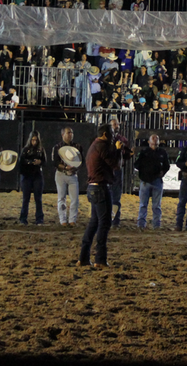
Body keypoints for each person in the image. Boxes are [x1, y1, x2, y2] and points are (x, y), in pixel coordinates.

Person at [77, 124, 120, 269]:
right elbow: (115, 164)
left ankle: (83, 257)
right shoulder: (102, 146)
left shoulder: (95, 145)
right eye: (112, 133)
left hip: (93, 187)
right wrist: (118, 151)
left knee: (94, 222)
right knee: (104, 223)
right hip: (100, 187)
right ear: (105, 134)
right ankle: (100, 259)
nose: (114, 136)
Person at [134, 133, 169, 229]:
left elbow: (167, 166)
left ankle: (155, 224)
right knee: (144, 205)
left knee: (154, 205)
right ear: (149, 142)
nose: (154, 144)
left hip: (155, 180)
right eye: (153, 142)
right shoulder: (144, 152)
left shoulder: (162, 152)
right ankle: (142, 224)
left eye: (156, 142)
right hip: (146, 181)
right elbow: (136, 165)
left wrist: (163, 172)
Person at [53, 127, 82, 226]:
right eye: (68, 133)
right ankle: (63, 220)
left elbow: (80, 161)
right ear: (63, 135)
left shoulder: (77, 146)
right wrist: (65, 167)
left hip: (73, 174)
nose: (70, 134)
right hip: (61, 173)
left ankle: (72, 220)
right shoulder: (57, 147)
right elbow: (55, 162)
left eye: (71, 133)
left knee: (74, 198)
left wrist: (73, 168)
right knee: (61, 198)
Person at [108, 115, 134, 228]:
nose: (116, 126)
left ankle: (115, 220)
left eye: (117, 124)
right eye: (114, 124)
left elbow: (126, 155)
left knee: (116, 196)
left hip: (117, 169)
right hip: (109, 169)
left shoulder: (123, 139)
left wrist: (130, 154)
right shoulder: (107, 140)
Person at [18, 130, 46, 225]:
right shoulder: (25, 150)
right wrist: (30, 162)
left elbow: (45, 161)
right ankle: (23, 218)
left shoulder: (41, 150)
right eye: (33, 140)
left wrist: (40, 162)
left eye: (36, 140)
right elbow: (21, 162)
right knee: (26, 198)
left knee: (38, 198)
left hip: (37, 175)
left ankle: (39, 219)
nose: (34, 142)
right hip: (26, 175)